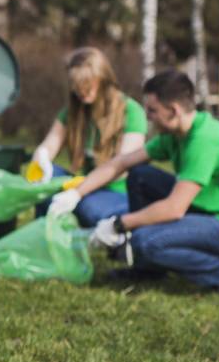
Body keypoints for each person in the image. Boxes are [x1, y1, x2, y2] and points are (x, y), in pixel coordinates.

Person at [49, 70, 219, 295]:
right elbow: (122, 162)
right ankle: (149, 268)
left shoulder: (203, 142)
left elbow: (174, 209)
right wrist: (76, 193)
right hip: (213, 209)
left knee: (144, 241)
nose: (148, 117)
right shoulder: (176, 136)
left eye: (153, 111)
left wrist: (119, 225)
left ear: (173, 111)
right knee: (140, 176)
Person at [28, 47, 147, 227]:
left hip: (116, 191)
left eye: (87, 84)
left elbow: (122, 167)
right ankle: (42, 235)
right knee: (46, 181)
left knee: (89, 209)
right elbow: (49, 145)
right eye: (76, 86)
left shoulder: (131, 111)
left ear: (104, 79)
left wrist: (78, 192)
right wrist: (42, 159)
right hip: (84, 185)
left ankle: (113, 227)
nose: (81, 91)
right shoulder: (74, 112)